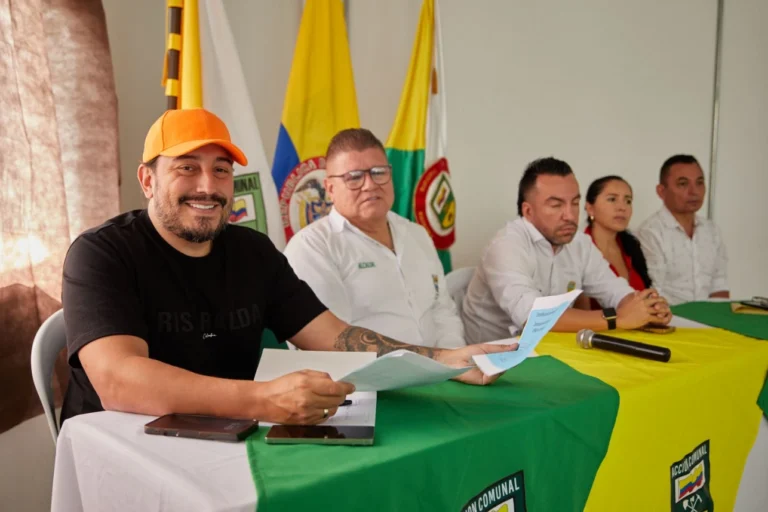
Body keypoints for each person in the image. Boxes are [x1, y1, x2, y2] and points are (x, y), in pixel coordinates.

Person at [60, 109, 515, 426]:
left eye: (221, 170)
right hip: (127, 442)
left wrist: (443, 360)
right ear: (147, 180)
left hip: (233, 434)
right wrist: (261, 399)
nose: (208, 186)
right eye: (187, 168)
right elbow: (118, 381)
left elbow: (336, 337)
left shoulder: (253, 251)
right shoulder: (101, 254)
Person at [284, 129, 465, 349]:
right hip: (369, 371)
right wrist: (426, 361)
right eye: (354, 177)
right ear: (330, 189)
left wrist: (453, 357)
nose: (370, 185)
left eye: (378, 172)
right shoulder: (313, 247)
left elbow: (442, 311)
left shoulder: (416, 234)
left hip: (441, 365)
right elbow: (332, 342)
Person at [461, 157, 671, 343]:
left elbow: (614, 290)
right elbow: (533, 317)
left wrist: (646, 308)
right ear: (528, 211)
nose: (570, 216)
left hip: (554, 349)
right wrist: (617, 318)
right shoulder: (506, 245)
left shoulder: (579, 243)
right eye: (556, 205)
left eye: (575, 203)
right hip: (495, 360)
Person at [637, 155, 729, 305]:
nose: (694, 191)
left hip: (710, 316)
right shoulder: (650, 233)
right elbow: (653, 292)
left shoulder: (711, 230)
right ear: (661, 191)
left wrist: (719, 316)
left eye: (699, 183)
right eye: (683, 184)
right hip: (670, 315)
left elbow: (719, 284)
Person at [577, 175, 652, 310]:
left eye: (628, 201)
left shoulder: (632, 245)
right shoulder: (579, 250)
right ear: (590, 208)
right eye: (612, 199)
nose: (622, 207)